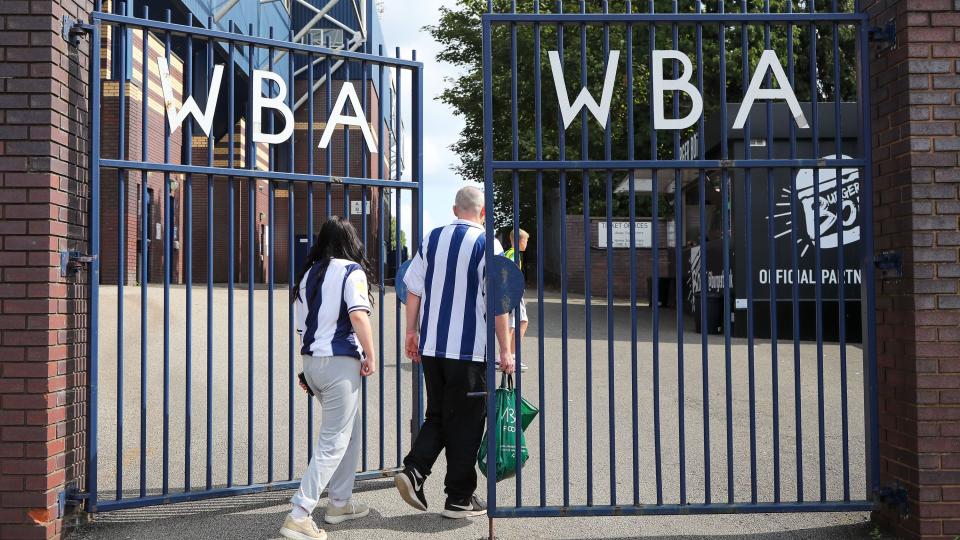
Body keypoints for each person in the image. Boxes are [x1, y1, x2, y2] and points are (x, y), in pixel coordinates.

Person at [395, 186, 514, 519]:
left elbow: (412, 287)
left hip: (433, 347)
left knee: (439, 414)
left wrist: (411, 331)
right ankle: (459, 498)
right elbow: (498, 303)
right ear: (484, 212)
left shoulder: (431, 238)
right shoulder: (489, 243)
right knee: (467, 422)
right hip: (470, 351)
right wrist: (506, 350)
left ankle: (415, 470)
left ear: (453, 209)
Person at [280, 217, 377, 540]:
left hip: (312, 362)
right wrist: (371, 354)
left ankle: (339, 502)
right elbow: (358, 315)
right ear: (351, 242)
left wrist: (307, 370)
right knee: (334, 439)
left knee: (349, 430)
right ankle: (300, 513)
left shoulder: (308, 274)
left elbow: (301, 328)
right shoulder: (351, 270)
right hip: (339, 363)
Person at [502, 228, 529, 372]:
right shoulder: (513, 254)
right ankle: (510, 356)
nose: (527, 243)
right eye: (526, 240)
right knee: (517, 323)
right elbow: (508, 273)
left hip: (511, 293)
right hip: (513, 293)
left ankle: (510, 355)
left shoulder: (509, 253)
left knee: (516, 322)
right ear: (519, 241)